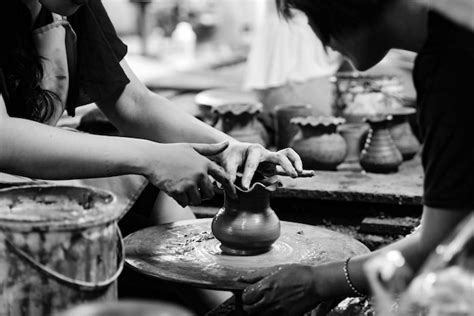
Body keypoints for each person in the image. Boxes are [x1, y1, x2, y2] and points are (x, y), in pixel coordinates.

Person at [0, 0, 304, 312]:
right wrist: (151, 157)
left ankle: (237, 308)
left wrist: (230, 149)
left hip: (28, 173)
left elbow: (132, 101)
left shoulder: (69, 6)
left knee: (153, 191)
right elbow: (4, 137)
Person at [240, 0, 474, 314]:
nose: (316, 35)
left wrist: (317, 281)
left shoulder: (453, 63)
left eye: (311, 14)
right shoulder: (452, 35)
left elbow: (439, 242)